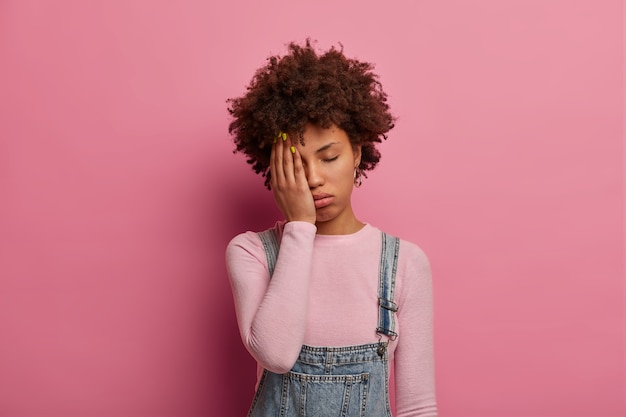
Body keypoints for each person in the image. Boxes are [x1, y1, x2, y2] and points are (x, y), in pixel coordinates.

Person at [225, 40, 437, 417]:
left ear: (357, 152)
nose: (314, 178)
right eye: (296, 165)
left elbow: (417, 406)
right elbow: (276, 354)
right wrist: (301, 226)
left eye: (329, 157)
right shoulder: (251, 252)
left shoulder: (404, 262)